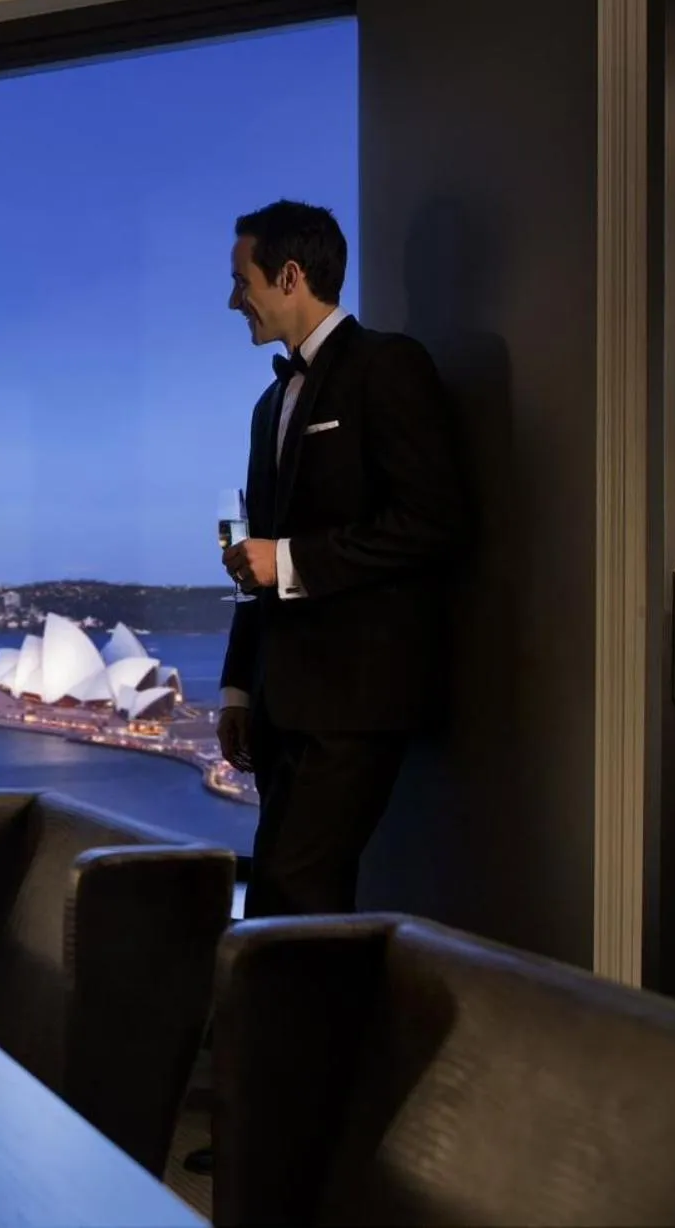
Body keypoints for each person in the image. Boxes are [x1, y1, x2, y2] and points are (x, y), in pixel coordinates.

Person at [218, 200, 469, 918]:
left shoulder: (388, 366)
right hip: (280, 704)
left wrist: (288, 560)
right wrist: (237, 690)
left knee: (291, 892)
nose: (233, 300)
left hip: (355, 700)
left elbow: (434, 523)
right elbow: (256, 556)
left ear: (289, 275)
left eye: (241, 281)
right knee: (287, 898)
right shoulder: (268, 406)